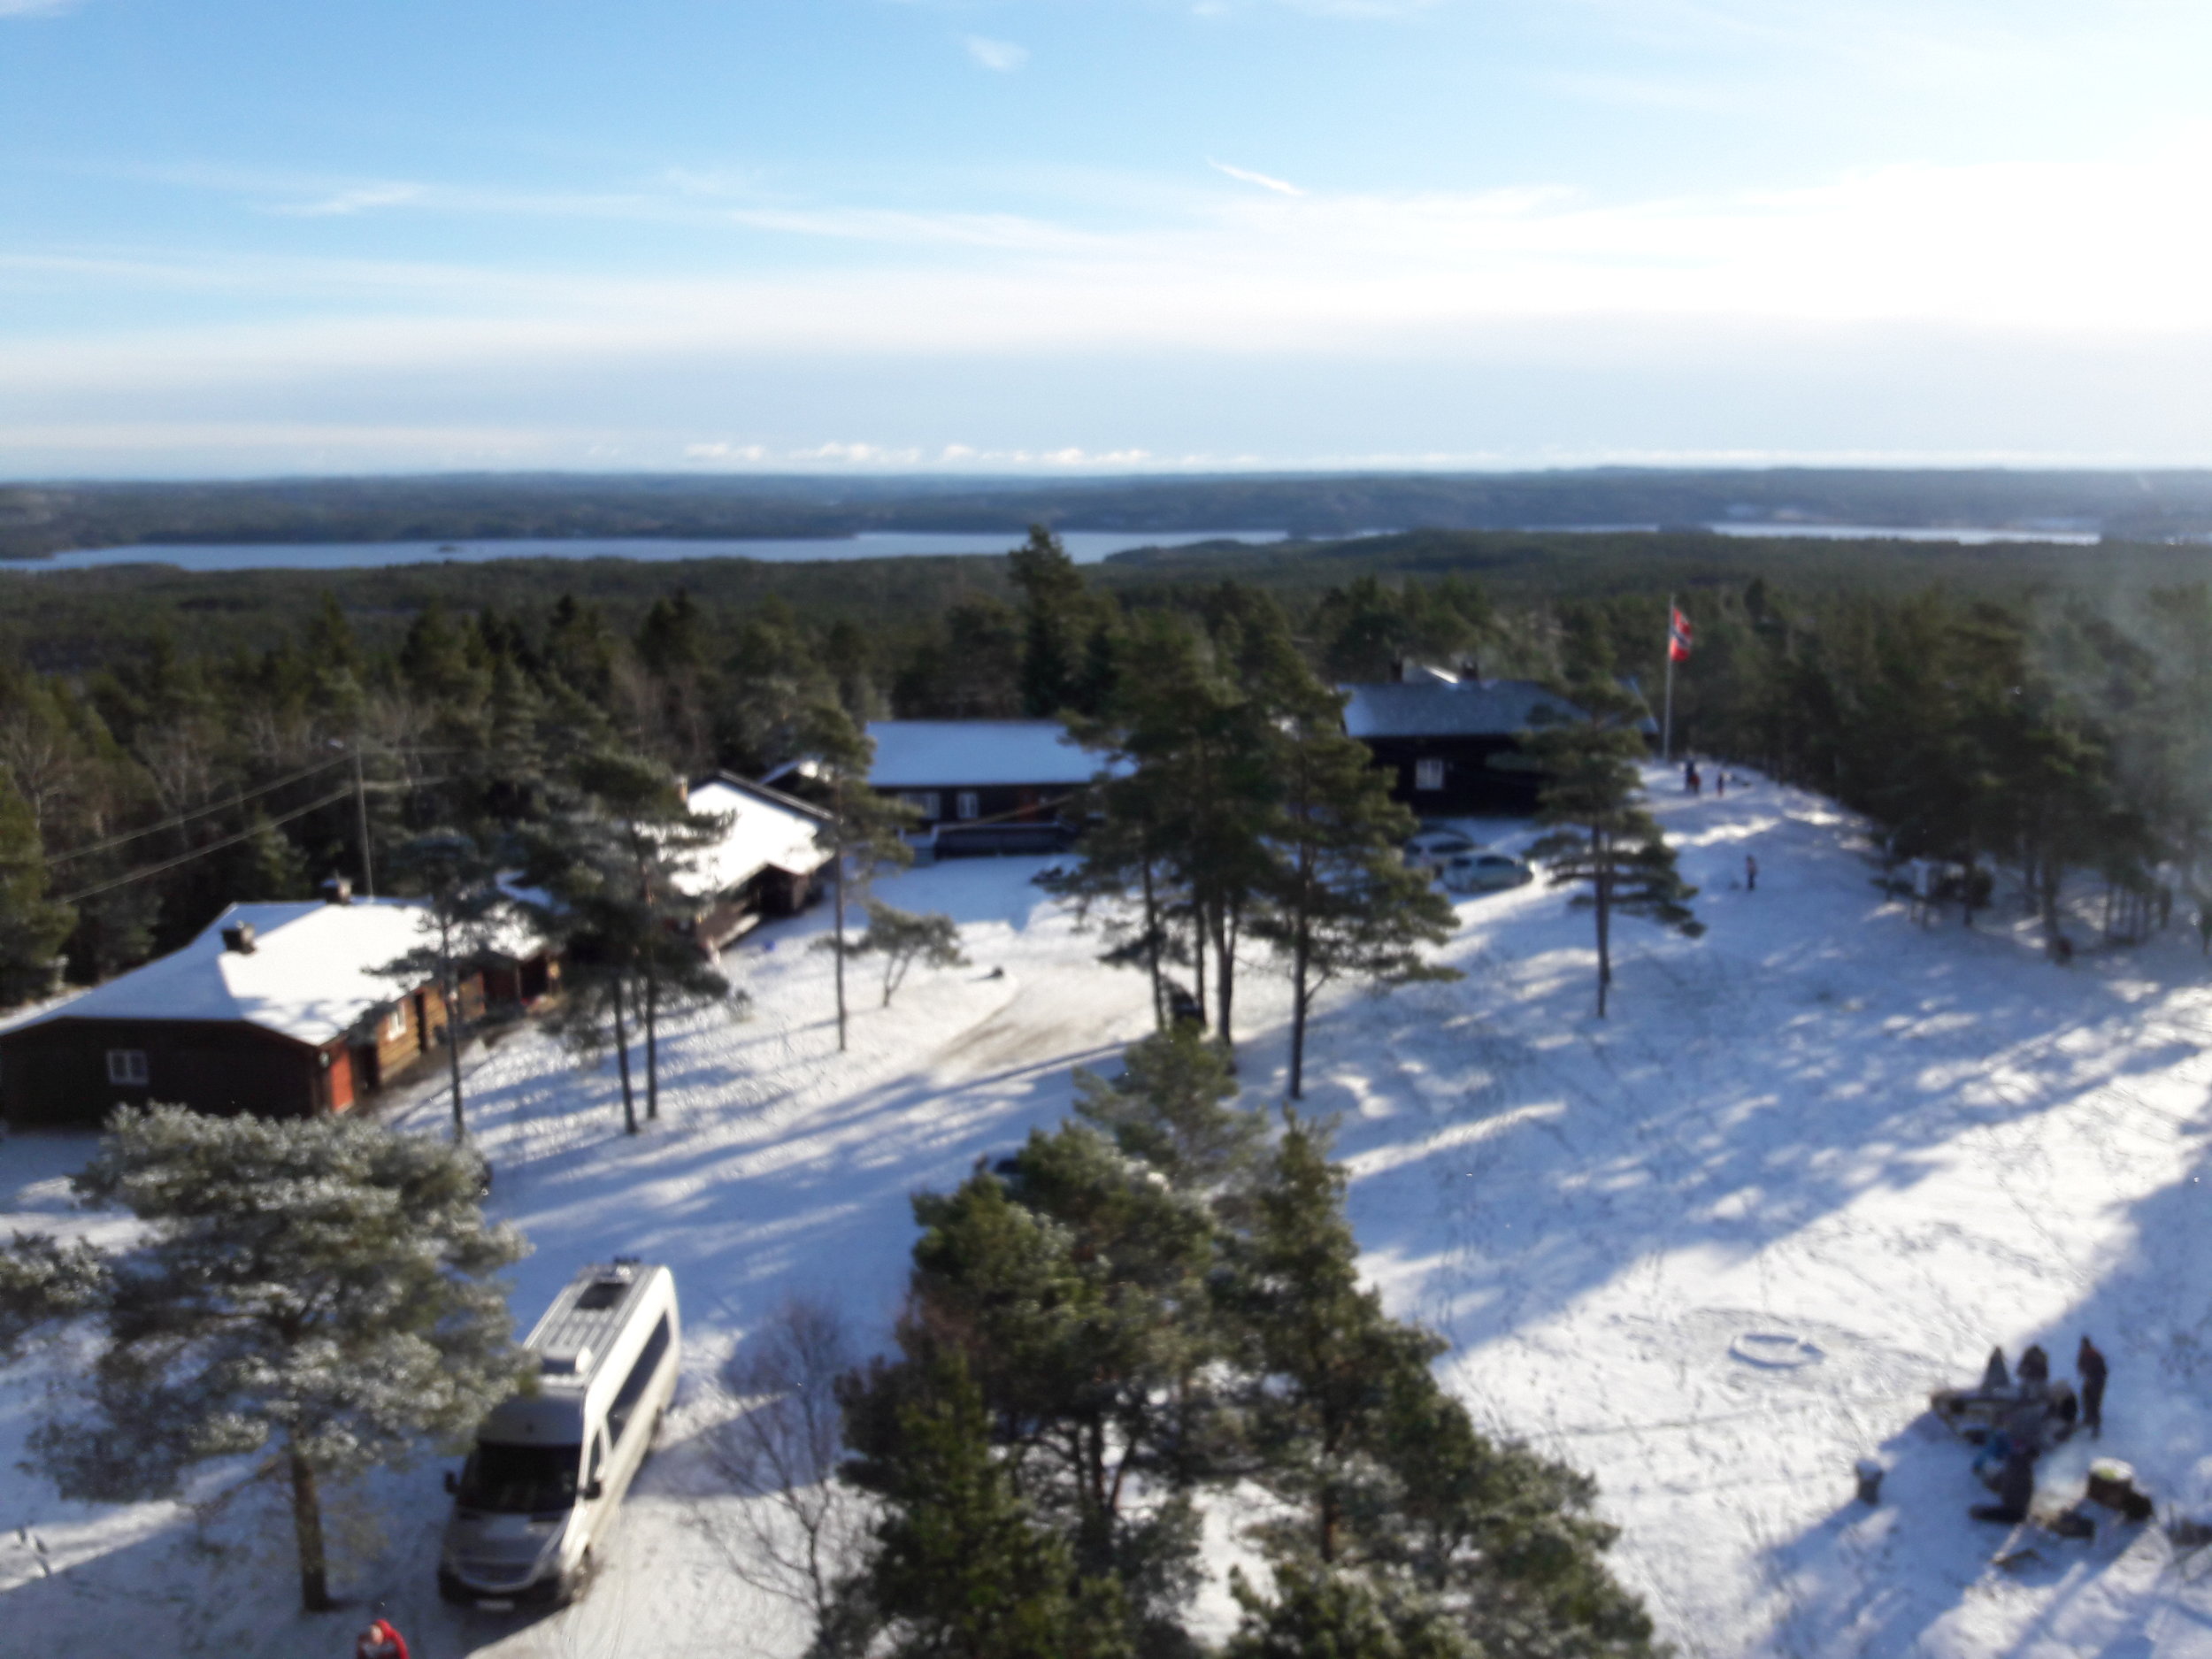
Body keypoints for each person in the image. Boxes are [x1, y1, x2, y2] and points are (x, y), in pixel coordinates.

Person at [1970, 1446, 2037, 1525]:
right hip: (2016, 1507)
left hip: (2011, 1501)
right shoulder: (2024, 1469)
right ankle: (1983, 1513)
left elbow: (1996, 1483)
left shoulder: (2013, 1462)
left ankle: (1982, 1512)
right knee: (2016, 1513)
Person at [2078, 1336, 2108, 1438]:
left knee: (2093, 1403)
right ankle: (2089, 1419)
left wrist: (2090, 1376)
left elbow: (2101, 1369)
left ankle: (2095, 1426)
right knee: (2087, 1399)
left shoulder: (2090, 1354)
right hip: (2094, 1381)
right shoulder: (2093, 1353)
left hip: (2096, 1381)